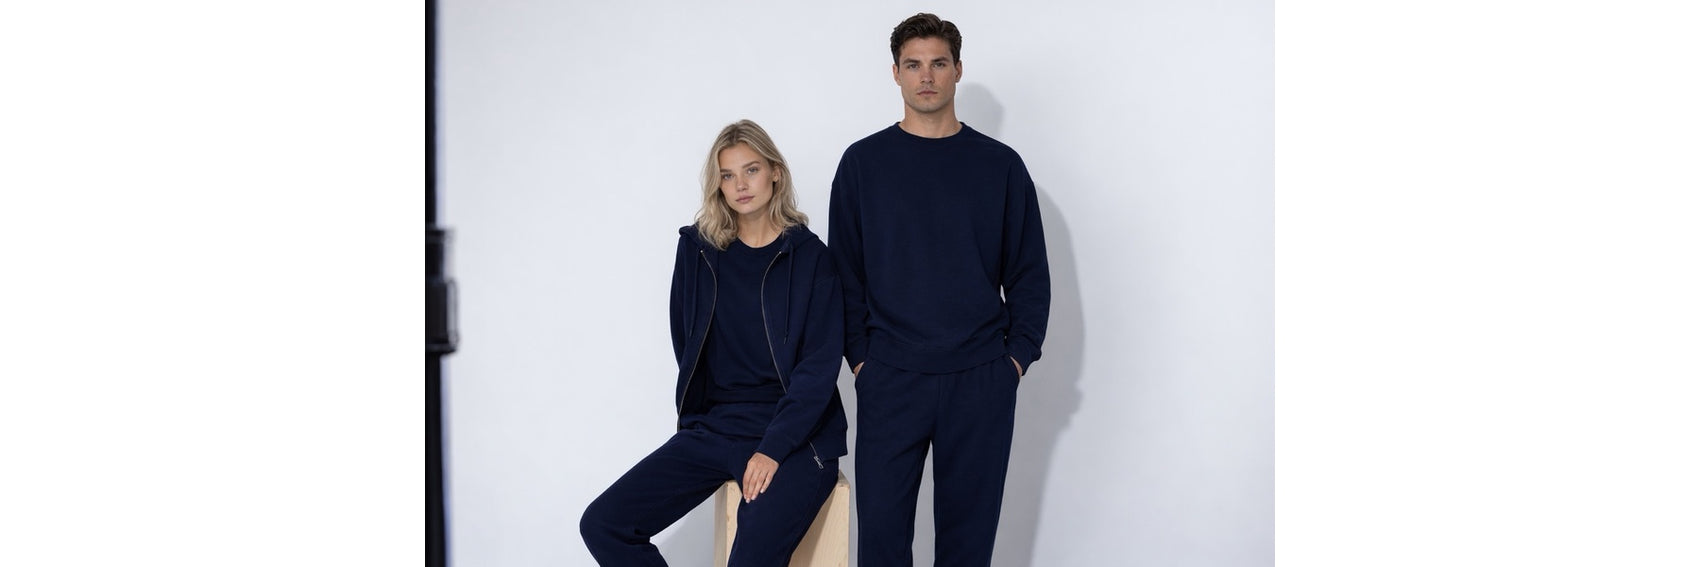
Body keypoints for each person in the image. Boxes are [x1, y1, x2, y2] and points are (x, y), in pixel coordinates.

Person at [828, 13, 1051, 566]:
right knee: (881, 544)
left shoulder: (1000, 167)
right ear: (896, 74)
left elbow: (1029, 274)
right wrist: (861, 360)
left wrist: (1014, 361)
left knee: (967, 550)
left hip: (980, 379)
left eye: (938, 63)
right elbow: (844, 274)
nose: (926, 76)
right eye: (913, 65)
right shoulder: (862, 165)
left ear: (957, 70)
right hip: (890, 378)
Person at [581, 119, 849, 566]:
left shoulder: (812, 259)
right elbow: (686, 338)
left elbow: (818, 368)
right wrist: (700, 422)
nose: (740, 185)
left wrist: (773, 447)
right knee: (605, 523)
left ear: (775, 172)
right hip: (716, 428)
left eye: (751, 170)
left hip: (796, 438)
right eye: (728, 175)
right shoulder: (698, 251)